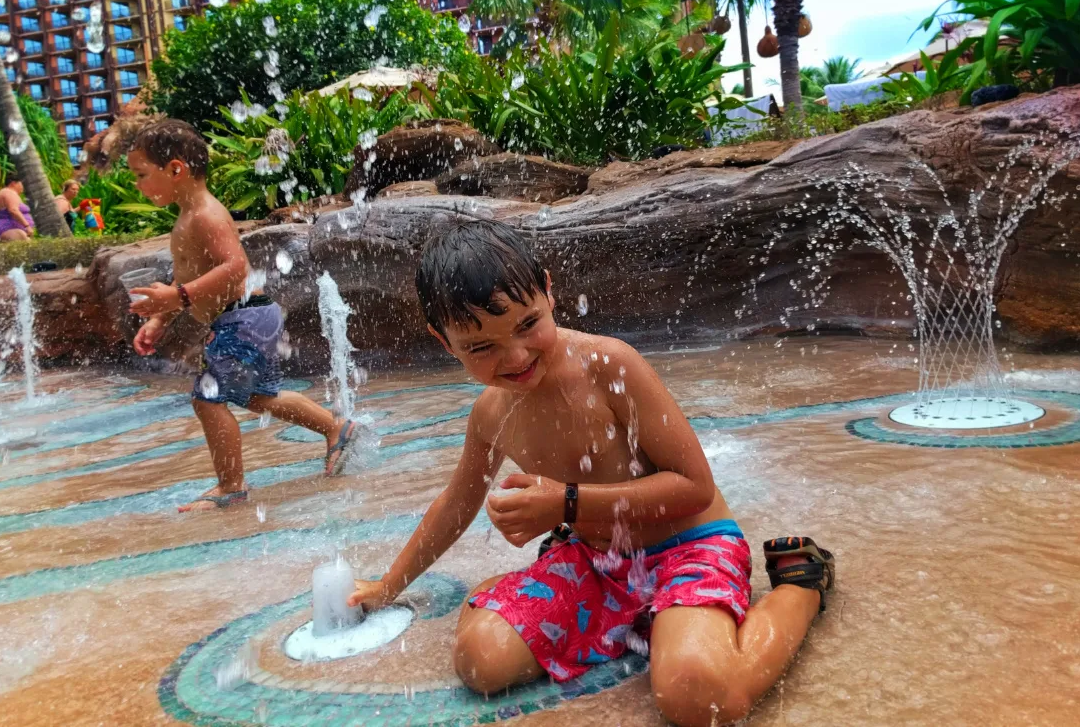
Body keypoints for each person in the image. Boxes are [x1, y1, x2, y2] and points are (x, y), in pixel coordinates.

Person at [347, 219, 835, 727]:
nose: (515, 357)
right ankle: (577, 591)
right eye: (480, 348)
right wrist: (388, 584)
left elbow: (695, 488)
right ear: (445, 343)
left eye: (527, 324)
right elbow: (456, 504)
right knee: (480, 658)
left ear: (550, 292)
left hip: (689, 545)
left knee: (698, 696)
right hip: (597, 562)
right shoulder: (490, 415)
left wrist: (566, 504)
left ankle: (801, 585)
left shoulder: (609, 366)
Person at [126, 118, 359, 512]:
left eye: (141, 175)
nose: (138, 185)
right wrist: (159, 319)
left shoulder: (205, 215)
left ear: (176, 169)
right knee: (256, 397)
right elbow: (188, 277)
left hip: (243, 317)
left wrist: (179, 296)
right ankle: (335, 426)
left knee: (208, 396)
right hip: (243, 317)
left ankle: (231, 485)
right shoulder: (187, 216)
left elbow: (235, 267)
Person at [0, 173, 35, 242]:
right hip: (8, 229)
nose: (23, 187)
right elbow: (13, 210)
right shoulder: (9, 192)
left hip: (13, 229)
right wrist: (27, 226)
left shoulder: (9, 193)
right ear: (14, 183)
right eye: (21, 184)